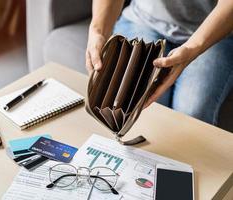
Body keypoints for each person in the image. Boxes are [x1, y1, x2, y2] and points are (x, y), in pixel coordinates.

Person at [85, 0, 233, 125]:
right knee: (135, 102)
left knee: (192, 112)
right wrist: (98, 31)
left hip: (215, 32)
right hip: (144, 19)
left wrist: (192, 48)